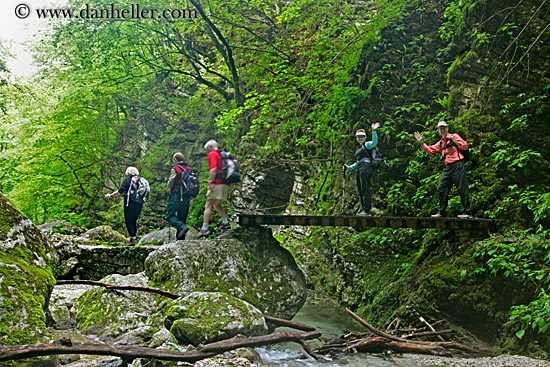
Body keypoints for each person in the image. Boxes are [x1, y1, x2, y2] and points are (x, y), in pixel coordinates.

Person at [414, 120, 472, 218]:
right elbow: (430, 149)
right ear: (438, 130)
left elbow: (465, 146)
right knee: (441, 188)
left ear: (447, 128)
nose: (442, 130)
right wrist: (421, 142)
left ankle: (467, 212)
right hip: (448, 167)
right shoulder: (441, 143)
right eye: (440, 128)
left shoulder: (454, 136)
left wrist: (455, 141)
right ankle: (442, 212)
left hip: (458, 164)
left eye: (444, 128)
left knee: (462, 188)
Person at [343, 122, 381, 216]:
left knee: (365, 188)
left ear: (365, 137)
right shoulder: (360, 148)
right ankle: (364, 209)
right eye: (358, 137)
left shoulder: (367, 144)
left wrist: (374, 131)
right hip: (360, 167)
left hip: (366, 167)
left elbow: (374, 142)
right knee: (360, 189)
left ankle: (367, 210)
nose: (360, 138)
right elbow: (358, 162)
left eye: (361, 136)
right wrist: (349, 167)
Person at [197, 140, 231, 237]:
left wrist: (211, 182)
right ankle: (225, 223)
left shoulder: (213, 154)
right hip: (225, 183)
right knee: (217, 204)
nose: (208, 152)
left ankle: (204, 228)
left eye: (207, 149)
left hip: (216, 182)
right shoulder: (223, 155)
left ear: (211, 147)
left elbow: (213, 168)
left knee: (208, 205)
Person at [105, 166, 144, 245]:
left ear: (128, 172)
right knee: (134, 220)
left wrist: (111, 195)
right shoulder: (141, 180)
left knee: (128, 221)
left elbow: (120, 191)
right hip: (139, 203)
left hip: (129, 203)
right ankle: (133, 238)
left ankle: (133, 239)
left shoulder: (127, 180)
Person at [166, 152, 193, 240]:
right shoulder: (189, 170)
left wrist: (169, 188)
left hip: (176, 195)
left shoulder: (176, 169)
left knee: (170, 216)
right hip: (187, 196)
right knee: (182, 217)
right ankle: (180, 240)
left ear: (175, 160)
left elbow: (171, 181)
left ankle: (182, 227)